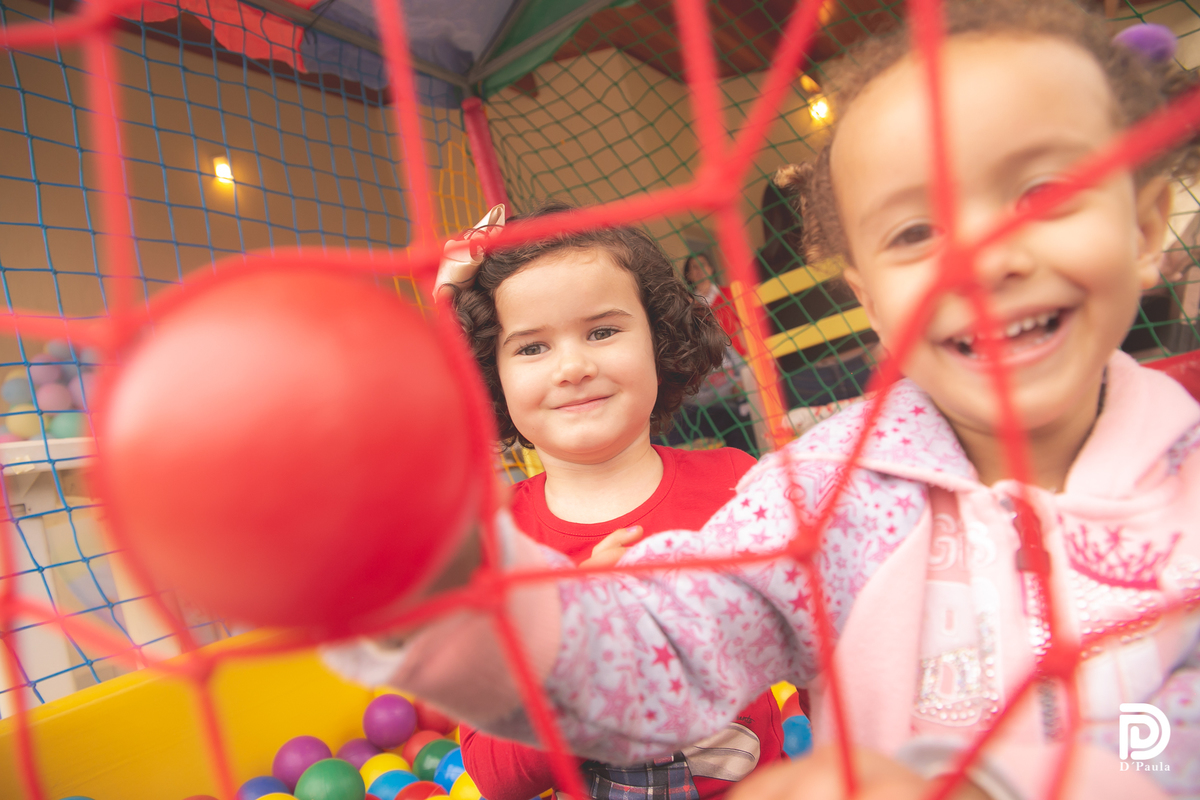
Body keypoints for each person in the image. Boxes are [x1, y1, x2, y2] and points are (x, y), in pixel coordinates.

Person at [326, 4, 1200, 798]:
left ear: (1145, 222)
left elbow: (1171, 746)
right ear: (867, 294)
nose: (984, 256)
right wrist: (457, 593)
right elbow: (669, 651)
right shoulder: (825, 495)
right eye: (916, 231)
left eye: (1043, 196)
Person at [447, 202, 786, 800]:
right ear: (490, 374)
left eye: (602, 332)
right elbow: (495, 776)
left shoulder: (738, 485)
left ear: (659, 339)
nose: (573, 367)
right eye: (531, 348)